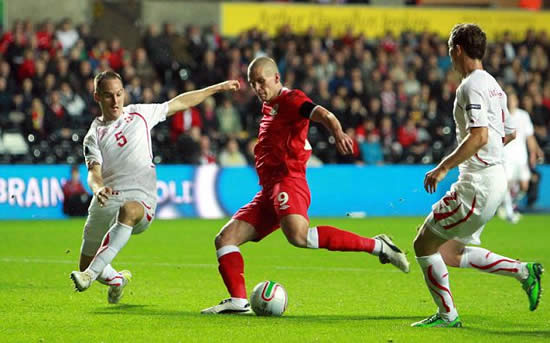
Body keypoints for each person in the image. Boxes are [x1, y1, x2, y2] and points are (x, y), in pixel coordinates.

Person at [200, 56, 409, 315]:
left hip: (288, 180)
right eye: (253, 83)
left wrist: (337, 131)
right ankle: (238, 301)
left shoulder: (290, 99)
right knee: (225, 239)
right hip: (269, 191)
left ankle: (379, 246)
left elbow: (321, 113)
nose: (257, 88)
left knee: (299, 236)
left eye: (261, 81)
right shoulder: (269, 106)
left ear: (276, 78)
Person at [411, 24, 543, 328]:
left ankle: (448, 316)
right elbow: (507, 133)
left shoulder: (471, 86)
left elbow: (480, 136)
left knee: (422, 244)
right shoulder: (495, 86)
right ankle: (524, 271)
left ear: (457, 49)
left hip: (477, 184)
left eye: (449, 50)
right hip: (494, 179)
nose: (449, 57)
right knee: (450, 252)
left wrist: (443, 166)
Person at [70, 70, 239, 303]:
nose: (116, 101)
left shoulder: (140, 114)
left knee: (128, 211)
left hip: (141, 198)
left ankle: (89, 276)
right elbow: (93, 173)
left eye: (119, 94)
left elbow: (179, 102)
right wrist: (98, 189)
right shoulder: (94, 135)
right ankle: (116, 279)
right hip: (106, 197)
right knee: (86, 260)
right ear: (97, 97)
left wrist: (216, 88)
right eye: (109, 96)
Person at [498, 91, 544, 223]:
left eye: (514, 99)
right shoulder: (502, 115)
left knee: (524, 186)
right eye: (510, 100)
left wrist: (534, 152)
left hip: (521, 157)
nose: (512, 102)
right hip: (507, 156)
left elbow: (529, 136)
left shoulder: (523, 116)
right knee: (506, 184)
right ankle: (509, 213)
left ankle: (509, 205)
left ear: (517, 101)